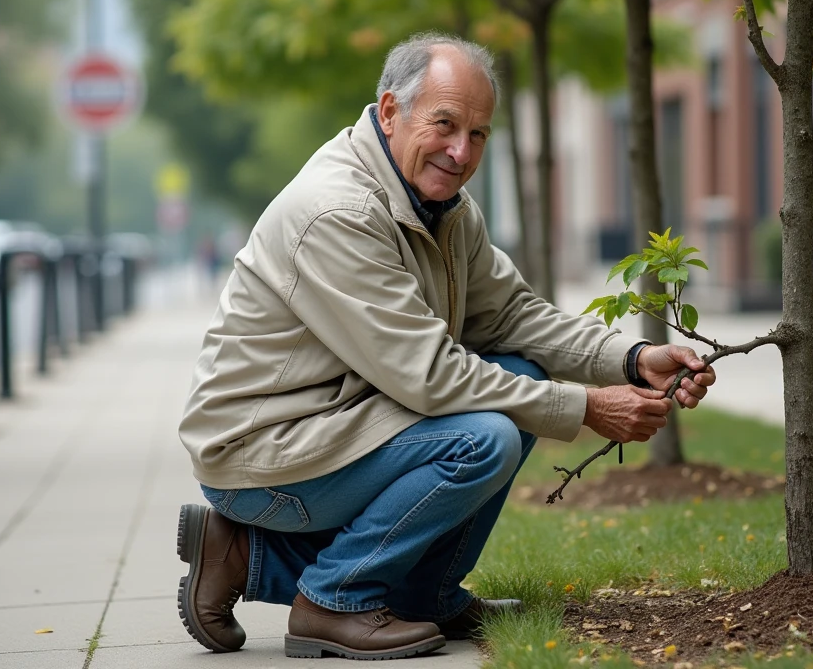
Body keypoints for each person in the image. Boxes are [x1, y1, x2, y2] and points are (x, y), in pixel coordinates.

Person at [175, 33, 717, 660]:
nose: (461, 152)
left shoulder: (444, 206)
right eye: (445, 124)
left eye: (479, 133)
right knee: (483, 437)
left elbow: (513, 316)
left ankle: (407, 591)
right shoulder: (338, 212)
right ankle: (332, 600)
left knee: (518, 373)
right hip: (261, 450)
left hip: (335, 423)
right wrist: (587, 407)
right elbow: (431, 377)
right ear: (389, 112)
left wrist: (629, 358)